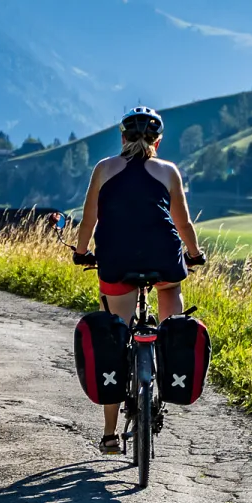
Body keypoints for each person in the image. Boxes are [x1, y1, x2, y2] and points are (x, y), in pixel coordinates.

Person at [70, 106, 204, 454]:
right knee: (170, 303)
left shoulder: (104, 169)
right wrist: (194, 253)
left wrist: (81, 251)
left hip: (116, 261)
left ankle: (110, 434)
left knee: (115, 337)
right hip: (163, 260)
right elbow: (183, 224)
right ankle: (167, 353)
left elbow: (89, 222)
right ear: (157, 141)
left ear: (122, 137)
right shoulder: (168, 171)